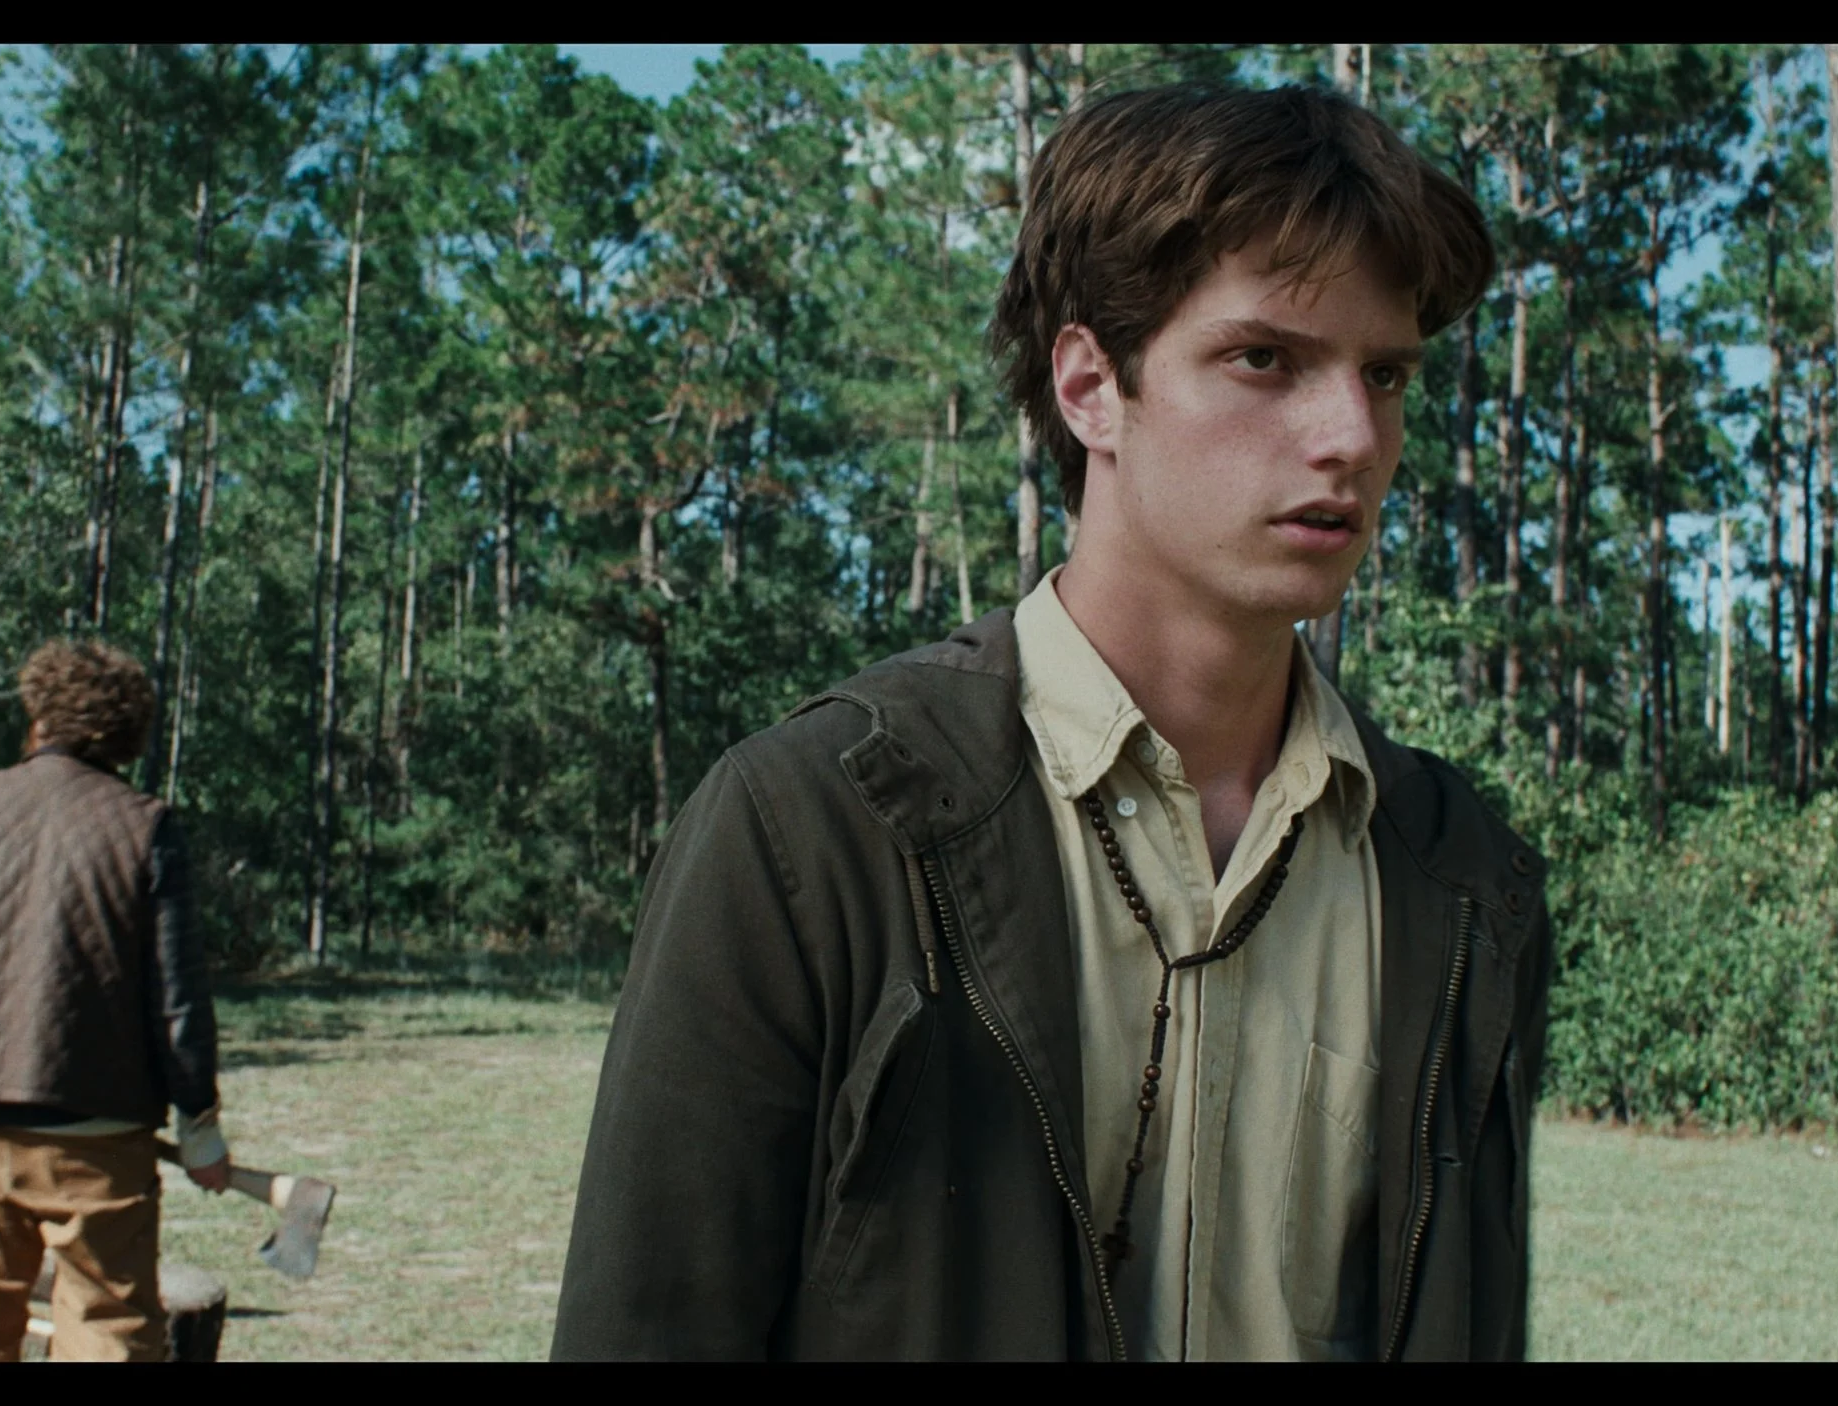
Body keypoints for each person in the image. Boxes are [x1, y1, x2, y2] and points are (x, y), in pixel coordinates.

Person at [553, 81, 1550, 1362]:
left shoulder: (1465, 883)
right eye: (1265, 358)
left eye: (1386, 371)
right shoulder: (812, 835)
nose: (1349, 434)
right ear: (1090, 385)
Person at [0, 639, 229, 1362]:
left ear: (37, 717)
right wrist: (200, 1124)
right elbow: (178, 1005)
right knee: (107, 1331)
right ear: (126, 736)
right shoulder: (145, 825)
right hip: (97, 1142)